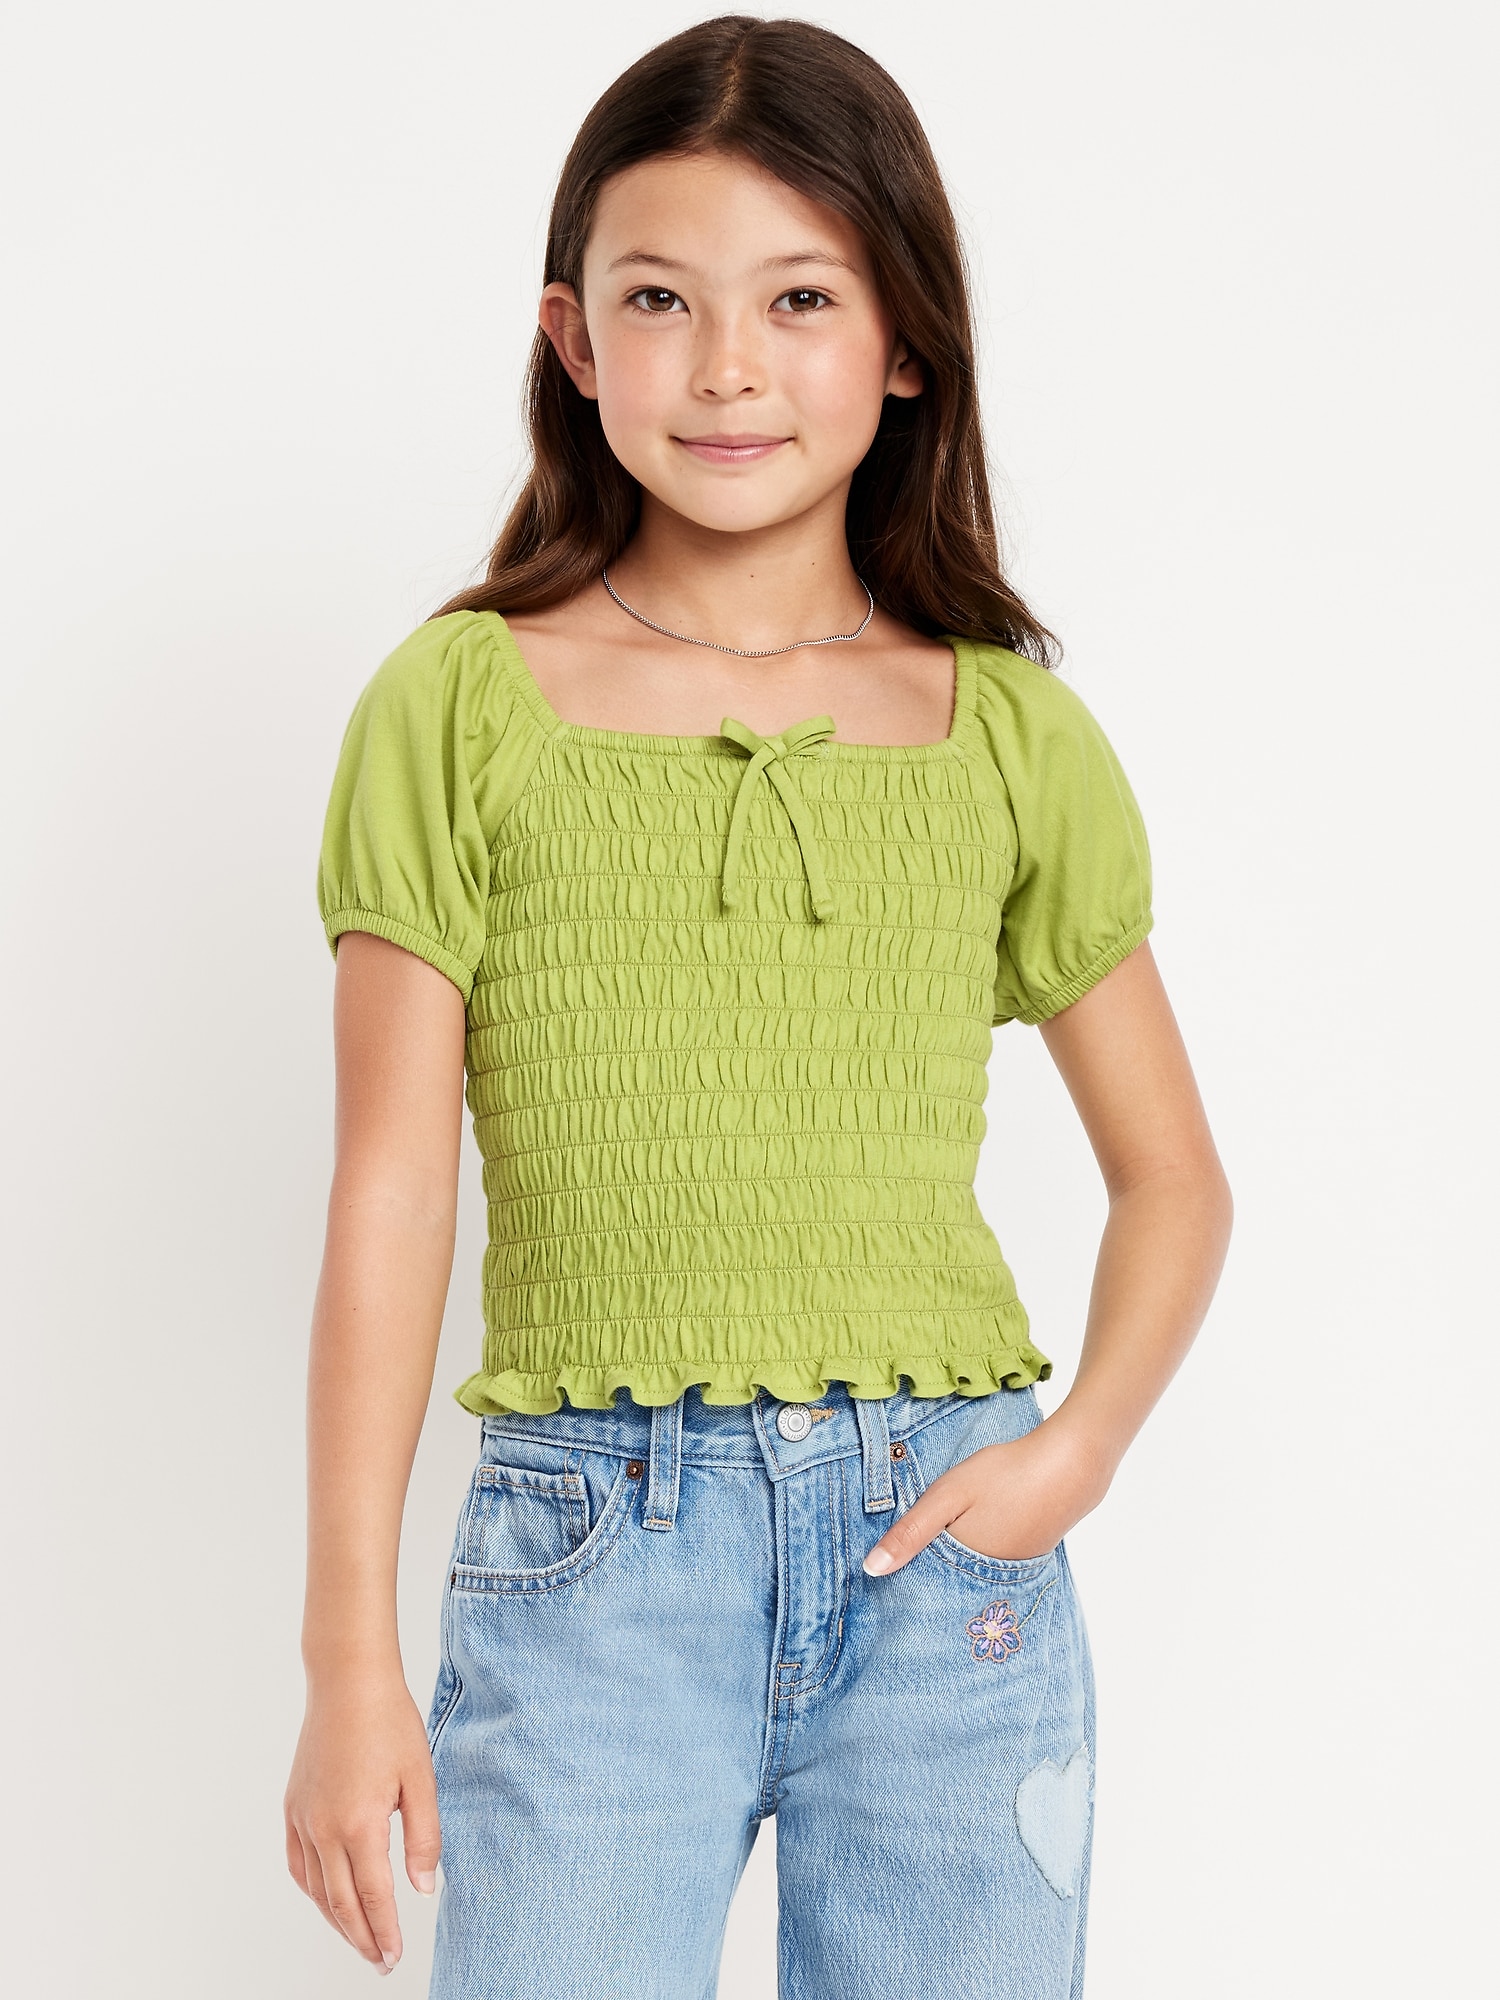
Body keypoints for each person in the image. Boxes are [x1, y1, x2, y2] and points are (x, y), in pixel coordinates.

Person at [283, 15, 1233, 1997]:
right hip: (591, 1563)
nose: (727, 365)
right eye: (661, 299)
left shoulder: (1005, 731)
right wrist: (347, 1655)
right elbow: (391, 1188)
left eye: (800, 298)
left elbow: (1174, 1178)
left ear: (905, 343)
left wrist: (1077, 1450)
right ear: (572, 341)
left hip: (945, 1558)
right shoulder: (461, 706)